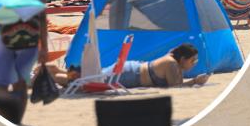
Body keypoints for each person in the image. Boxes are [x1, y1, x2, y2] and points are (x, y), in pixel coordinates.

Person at [47, 43, 209, 89]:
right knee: (84, 83)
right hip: (128, 74)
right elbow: (175, 87)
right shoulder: (172, 64)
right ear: (183, 58)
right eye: (192, 60)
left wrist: (193, 80)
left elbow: (177, 82)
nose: (193, 63)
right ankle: (50, 75)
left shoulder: (173, 61)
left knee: (89, 77)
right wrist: (195, 81)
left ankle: (54, 70)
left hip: (129, 70)